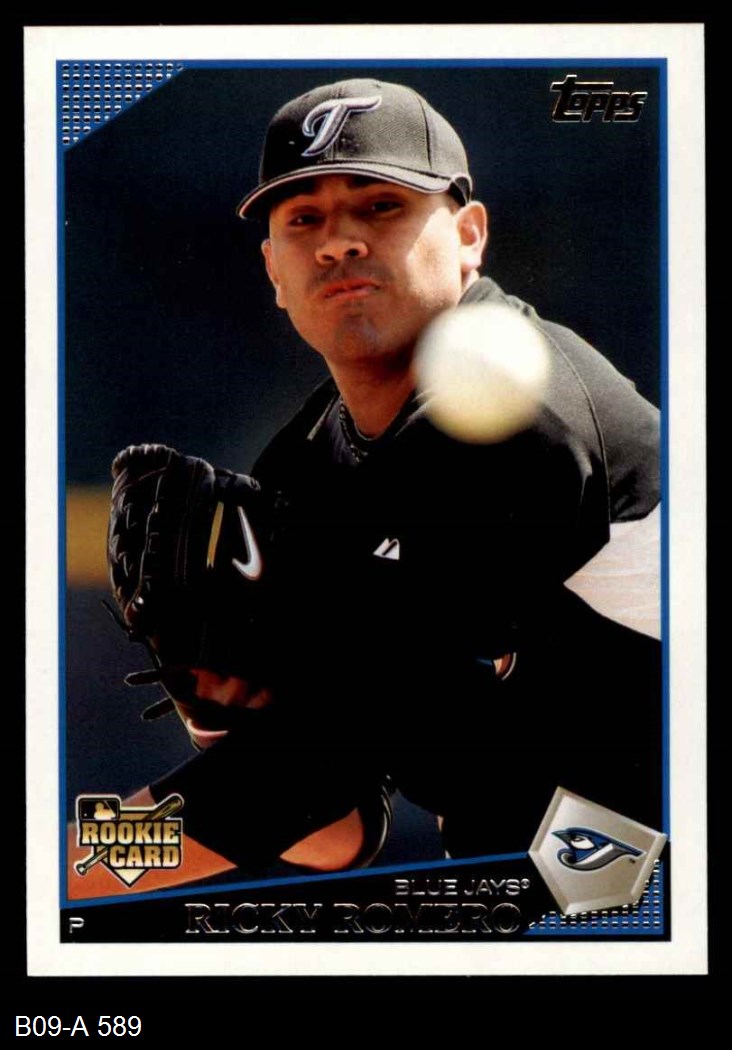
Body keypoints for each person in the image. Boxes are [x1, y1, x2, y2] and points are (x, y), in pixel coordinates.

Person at [70, 78, 661, 892]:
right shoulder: (309, 467)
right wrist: (217, 712)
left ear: (469, 234)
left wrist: (75, 867)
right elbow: (340, 828)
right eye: (303, 219)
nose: (338, 242)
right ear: (273, 270)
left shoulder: (520, 409)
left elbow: (308, 771)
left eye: (381, 206)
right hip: (582, 878)